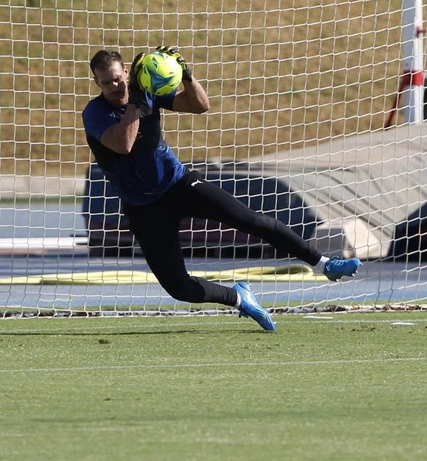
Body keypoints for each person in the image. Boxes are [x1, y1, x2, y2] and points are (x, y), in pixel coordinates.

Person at [81, 47, 360, 331]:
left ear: (126, 72)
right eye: (106, 82)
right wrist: (135, 104)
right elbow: (124, 145)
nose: (114, 86)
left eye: (117, 79)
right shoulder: (95, 112)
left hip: (179, 185)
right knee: (179, 288)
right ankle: (239, 298)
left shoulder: (147, 92)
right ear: (96, 83)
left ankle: (324, 264)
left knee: (252, 221)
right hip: (143, 208)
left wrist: (186, 75)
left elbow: (200, 105)